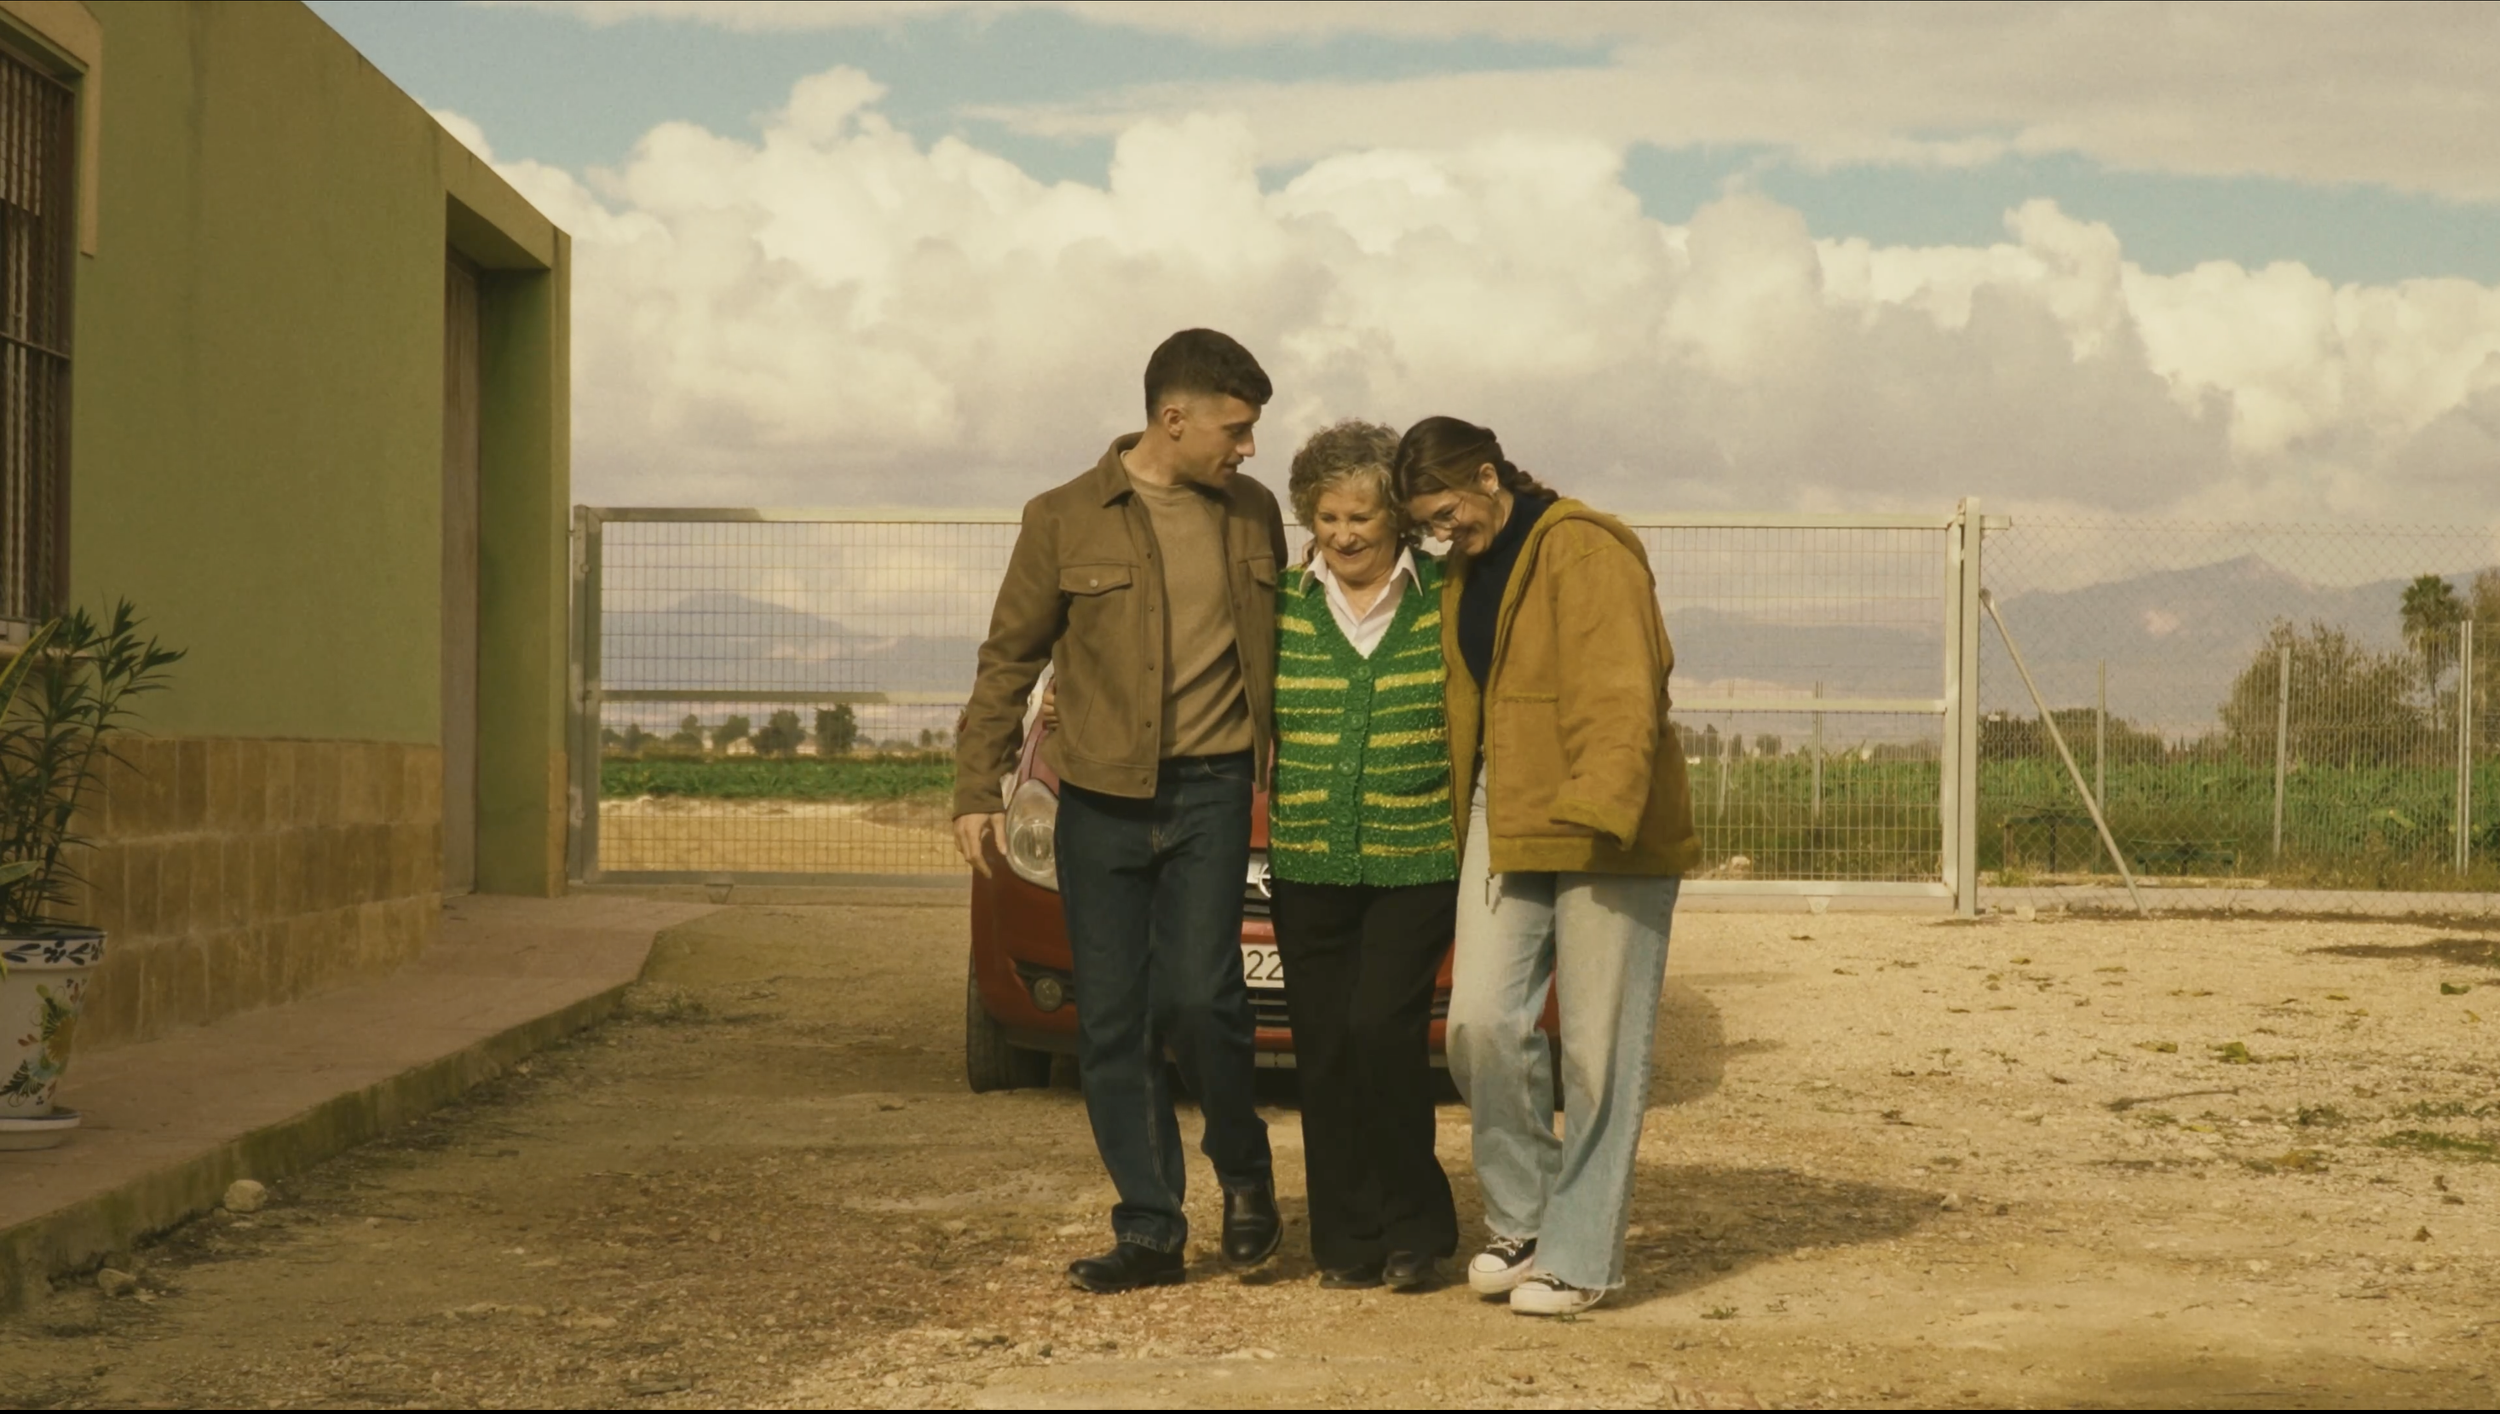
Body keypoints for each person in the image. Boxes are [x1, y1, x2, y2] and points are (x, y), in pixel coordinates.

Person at [951, 329, 1289, 1294]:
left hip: (1216, 790)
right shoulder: (1061, 517)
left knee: (1202, 997)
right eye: (1236, 427)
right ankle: (1150, 1228)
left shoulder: (1256, 514)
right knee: (1112, 1022)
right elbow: (1009, 658)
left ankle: (1245, 1175)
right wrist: (979, 788)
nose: (1248, 447)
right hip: (1098, 800)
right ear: (1172, 419)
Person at [1392, 415, 1698, 1318]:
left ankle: (1583, 1256)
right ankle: (1524, 1221)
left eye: (1447, 511)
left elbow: (1622, 685)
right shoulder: (1466, 563)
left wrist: (1603, 809)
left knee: (1600, 1050)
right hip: (1508, 800)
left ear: (1490, 476)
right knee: (1478, 1024)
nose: (1444, 533)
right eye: (1429, 524)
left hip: (1607, 816)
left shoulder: (1584, 546)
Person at [1265, 420, 1461, 1291]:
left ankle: (1416, 1226)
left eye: (1363, 518)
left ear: (1399, 522)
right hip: (1308, 858)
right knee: (1324, 1049)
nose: (1344, 535)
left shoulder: (1444, 596)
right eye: (1328, 516)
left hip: (1415, 857)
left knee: (1381, 1030)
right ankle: (1346, 1241)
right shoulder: (1280, 602)